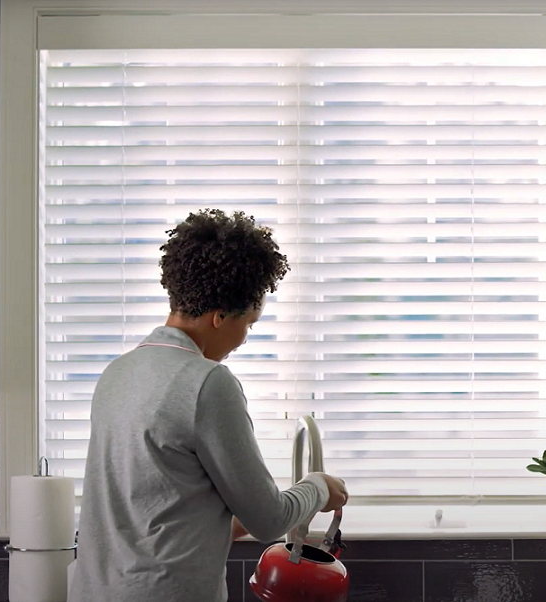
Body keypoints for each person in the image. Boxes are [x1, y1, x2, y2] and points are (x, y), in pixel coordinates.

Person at [68, 209, 349, 602]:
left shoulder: (118, 374)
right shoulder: (208, 383)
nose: (244, 340)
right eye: (248, 324)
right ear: (219, 317)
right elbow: (270, 520)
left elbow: (161, 510)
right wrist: (318, 487)